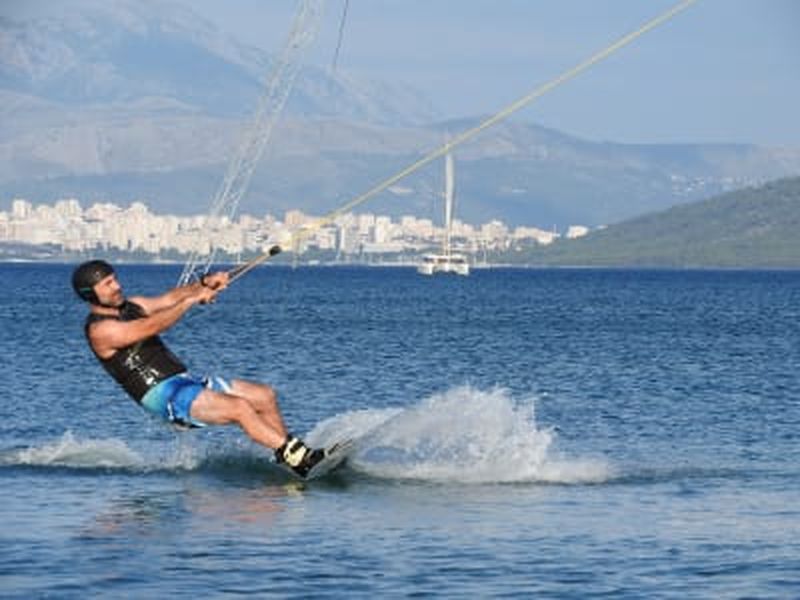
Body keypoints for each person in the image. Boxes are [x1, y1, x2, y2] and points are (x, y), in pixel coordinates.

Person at [72, 259, 325, 477]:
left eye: (114, 279)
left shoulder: (132, 306)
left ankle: (290, 459)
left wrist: (204, 284)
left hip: (183, 381)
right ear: (90, 294)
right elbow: (152, 327)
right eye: (107, 284)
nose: (117, 286)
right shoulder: (100, 330)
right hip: (161, 395)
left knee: (263, 395)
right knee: (239, 408)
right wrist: (192, 301)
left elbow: (170, 298)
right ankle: (297, 456)